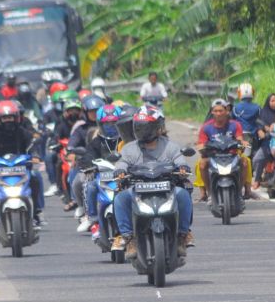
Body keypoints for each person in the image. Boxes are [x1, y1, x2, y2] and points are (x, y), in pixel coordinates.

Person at [111, 105, 195, 258]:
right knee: (119, 199)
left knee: (183, 194)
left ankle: (183, 235)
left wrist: (182, 167)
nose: (142, 131)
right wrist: (120, 171)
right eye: (139, 127)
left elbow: (180, 160)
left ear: (157, 128)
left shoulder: (170, 146)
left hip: (167, 189)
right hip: (137, 189)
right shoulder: (129, 149)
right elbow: (122, 163)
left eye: (146, 127)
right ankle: (128, 238)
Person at [0, 100, 45, 229]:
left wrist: (35, 155)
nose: (8, 121)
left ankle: (37, 212)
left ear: (17, 118)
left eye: (10, 117)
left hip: (22, 169)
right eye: (4, 118)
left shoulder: (23, 132)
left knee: (36, 176)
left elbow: (31, 145)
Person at [196, 98, 251, 201]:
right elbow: (201, 143)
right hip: (213, 157)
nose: (218, 113)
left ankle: (240, 191)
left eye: (221, 111)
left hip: (232, 155)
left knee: (245, 162)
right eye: (215, 111)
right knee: (202, 164)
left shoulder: (235, 125)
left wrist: (243, 143)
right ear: (212, 112)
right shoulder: (206, 127)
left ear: (226, 111)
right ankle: (209, 193)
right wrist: (201, 147)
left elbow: (240, 139)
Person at [81, 104, 122, 235]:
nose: (111, 127)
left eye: (114, 123)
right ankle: (93, 219)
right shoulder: (96, 142)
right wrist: (89, 166)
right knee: (90, 186)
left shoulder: (125, 140)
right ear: (100, 125)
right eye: (107, 124)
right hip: (103, 177)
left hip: (123, 176)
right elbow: (87, 156)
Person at [67, 94, 106, 220]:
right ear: (86, 112)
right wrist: (73, 152)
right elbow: (72, 145)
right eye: (92, 111)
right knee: (78, 182)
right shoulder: (81, 129)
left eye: (97, 111)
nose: (95, 114)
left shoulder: (111, 128)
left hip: (110, 165)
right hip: (89, 164)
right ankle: (82, 207)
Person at [44, 95, 82, 198]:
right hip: (64, 150)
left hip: (81, 151)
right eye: (70, 111)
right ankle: (57, 185)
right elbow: (56, 136)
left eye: (76, 111)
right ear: (65, 112)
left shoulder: (83, 123)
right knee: (54, 160)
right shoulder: (60, 123)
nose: (73, 113)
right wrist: (55, 143)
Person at [252, 93, 275, 189]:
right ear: (268, 102)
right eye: (272, 101)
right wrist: (261, 130)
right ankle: (257, 179)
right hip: (268, 142)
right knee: (257, 159)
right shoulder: (263, 112)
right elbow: (259, 123)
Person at [232, 83, 261, 147]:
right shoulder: (257, 107)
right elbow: (261, 120)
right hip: (253, 134)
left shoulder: (235, 107)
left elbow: (232, 120)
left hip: (239, 134)